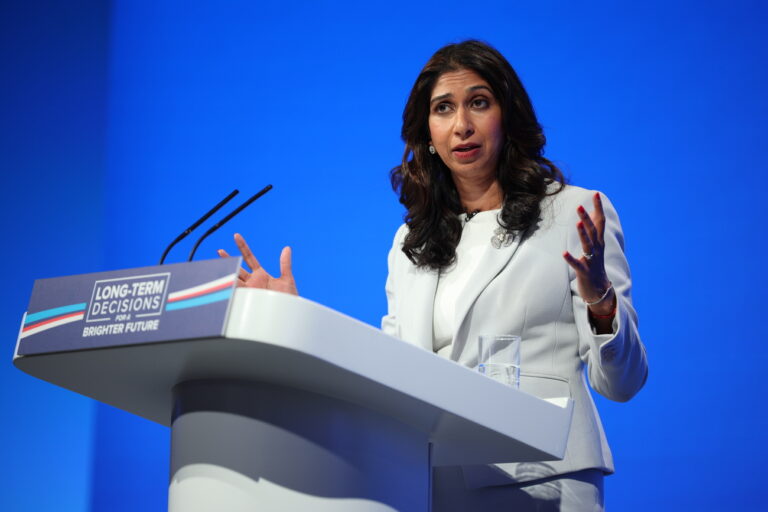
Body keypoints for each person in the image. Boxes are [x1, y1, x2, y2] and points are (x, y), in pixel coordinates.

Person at [220, 40, 647, 512]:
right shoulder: (411, 241)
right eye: (443, 108)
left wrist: (599, 299)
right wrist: (294, 319)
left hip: (541, 479)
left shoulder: (573, 213)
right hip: (426, 482)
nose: (461, 125)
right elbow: (387, 368)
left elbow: (622, 382)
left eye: (479, 103)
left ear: (508, 116)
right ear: (426, 132)